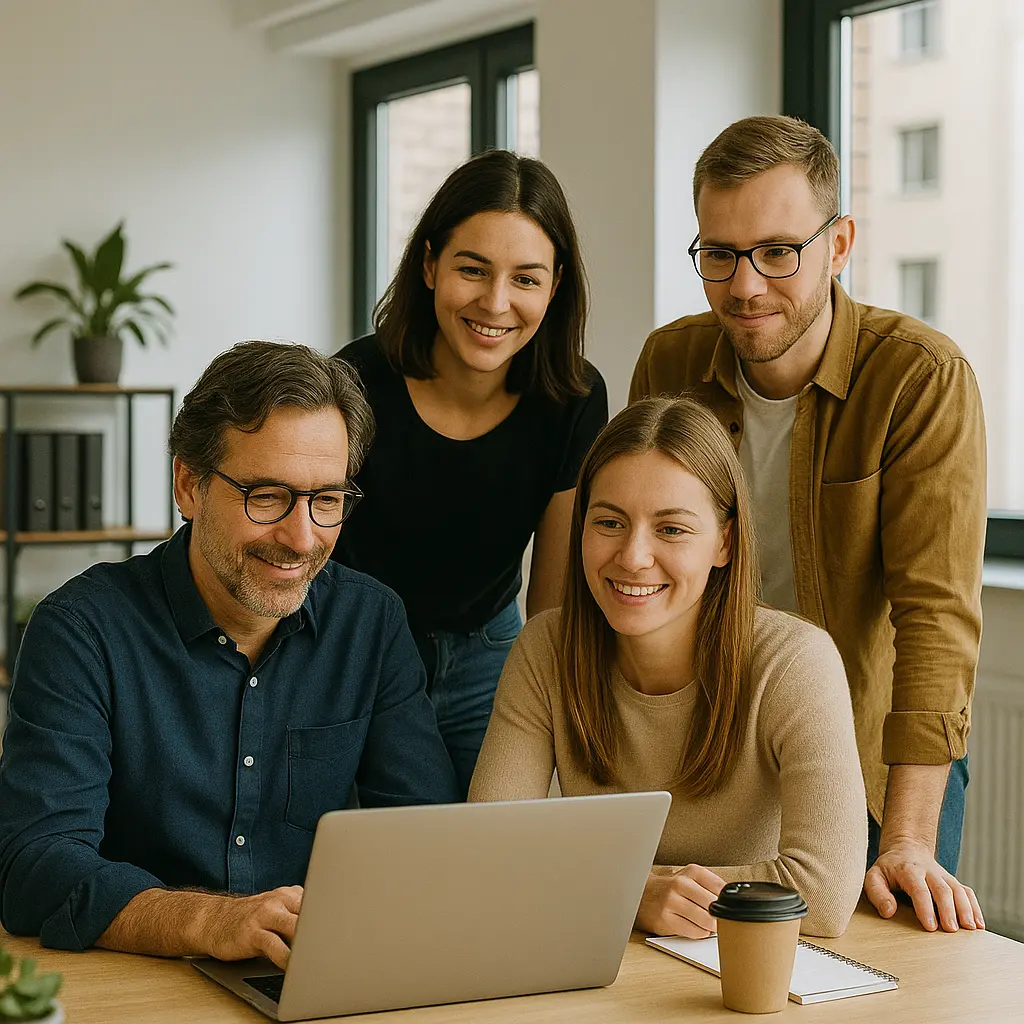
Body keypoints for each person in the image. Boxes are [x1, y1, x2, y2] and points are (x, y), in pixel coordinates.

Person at [629, 115, 986, 933]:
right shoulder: (670, 364)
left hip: (868, 757)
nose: (746, 286)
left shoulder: (918, 377)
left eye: (779, 251)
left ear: (840, 242)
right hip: (715, 746)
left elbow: (935, 620)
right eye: (718, 255)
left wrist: (908, 838)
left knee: (881, 977)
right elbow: (648, 566)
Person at [0, 341, 458, 966]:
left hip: (305, 976)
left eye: (326, 500)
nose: (301, 538)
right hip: (139, 982)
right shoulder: (81, 630)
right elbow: (35, 864)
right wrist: (206, 920)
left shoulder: (370, 623)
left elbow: (426, 840)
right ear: (188, 486)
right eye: (266, 496)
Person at [470, 397, 867, 939]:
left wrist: (616, 885)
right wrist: (632, 894)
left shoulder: (796, 662)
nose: (633, 556)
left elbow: (821, 895)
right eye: (609, 522)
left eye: (672, 529)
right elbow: (489, 855)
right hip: (599, 960)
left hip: (746, 970)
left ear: (724, 542)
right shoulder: (545, 648)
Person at [333, 149, 608, 797]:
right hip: (365, 651)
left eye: (526, 279)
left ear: (557, 284)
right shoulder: (355, 382)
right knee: (409, 847)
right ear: (430, 265)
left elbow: (552, 601)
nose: (496, 302)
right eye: (473, 269)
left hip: (490, 649)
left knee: (500, 844)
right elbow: (318, 561)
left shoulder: (572, 397)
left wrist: (550, 715)